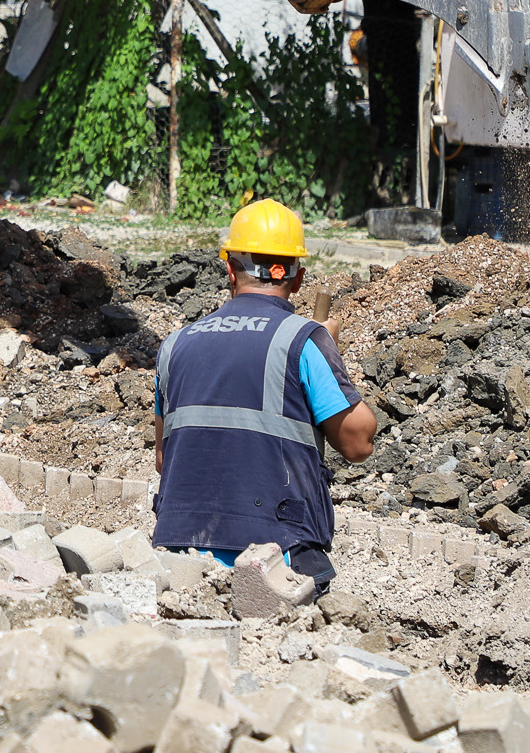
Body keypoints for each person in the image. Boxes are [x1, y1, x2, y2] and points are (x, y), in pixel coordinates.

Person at [151, 199, 377, 589]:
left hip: (179, 558)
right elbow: (359, 443)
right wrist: (329, 352)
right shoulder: (304, 341)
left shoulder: (174, 345)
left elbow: (162, 458)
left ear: (229, 271)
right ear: (298, 277)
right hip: (274, 559)